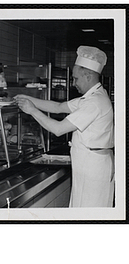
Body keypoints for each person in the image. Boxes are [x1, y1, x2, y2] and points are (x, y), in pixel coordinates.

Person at [14, 45, 114, 207]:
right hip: (88, 163)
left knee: (90, 216)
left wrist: (32, 110)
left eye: (75, 78)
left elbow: (58, 129)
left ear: (88, 76)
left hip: (93, 167)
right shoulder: (90, 97)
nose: (73, 83)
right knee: (82, 210)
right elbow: (57, 107)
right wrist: (26, 98)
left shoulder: (94, 103)